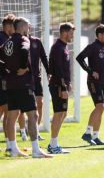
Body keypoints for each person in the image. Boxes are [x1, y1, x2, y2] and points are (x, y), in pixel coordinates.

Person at [0, 17, 51, 158]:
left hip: (10, 85)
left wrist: (7, 70)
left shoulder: (7, 42)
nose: (29, 30)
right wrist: (23, 67)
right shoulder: (24, 39)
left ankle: (13, 148)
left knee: (12, 116)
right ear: (23, 27)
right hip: (24, 84)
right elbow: (24, 50)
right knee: (32, 115)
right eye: (28, 27)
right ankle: (36, 150)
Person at [76, 24, 104, 146]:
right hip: (94, 82)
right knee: (99, 107)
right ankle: (87, 133)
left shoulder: (103, 47)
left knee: (101, 109)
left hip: (103, 82)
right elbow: (79, 58)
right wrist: (91, 71)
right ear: (99, 35)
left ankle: (95, 137)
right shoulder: (93, 46)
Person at [47, 22, 75, 154]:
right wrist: (63, 86)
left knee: (63, 114)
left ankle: (54, 143)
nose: (72, 35)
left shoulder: (63, 46)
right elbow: (57, 69)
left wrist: (68, 84)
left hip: (62, 85)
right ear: (64, 32)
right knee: (58, 113)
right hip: (58, 85)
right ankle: (53, 146)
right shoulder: (57, 47)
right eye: (71, 33)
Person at [0, 13, 15, 152]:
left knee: (5, 112)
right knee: (7, 111)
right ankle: (9, 145)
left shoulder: (7, 38)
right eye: (13, 26)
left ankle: (8, 145)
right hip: (2, 79)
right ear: (8, 26)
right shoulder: (2, 38)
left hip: (4, 78)